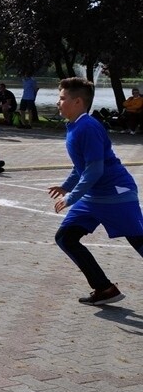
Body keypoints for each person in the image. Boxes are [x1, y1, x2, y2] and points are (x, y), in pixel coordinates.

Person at [49, 77, 143, 306]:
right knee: (65, 238)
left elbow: (94, 169)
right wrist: (66, 186)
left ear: (78, 102)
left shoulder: (88, 127)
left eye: (62, 98)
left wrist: (71, 197)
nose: (58, 102)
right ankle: (104, 288)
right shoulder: (75, 126)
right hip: (93, 197)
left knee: (139, 241)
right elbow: (81, 165)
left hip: (116, 195)